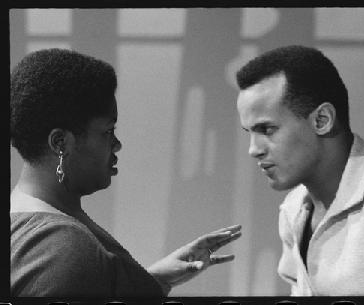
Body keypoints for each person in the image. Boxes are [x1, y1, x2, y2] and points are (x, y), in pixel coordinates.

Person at [10, 48, 242, 297]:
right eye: (108, 131)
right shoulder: (62, 248)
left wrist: (151, 281)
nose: (117, 144)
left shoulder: (31, 224)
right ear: (60, 143)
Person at [235, 45, 364, 296]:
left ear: (322, 120)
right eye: (250, 133)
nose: (253, 149)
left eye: (267, 130)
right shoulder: (293, 209)